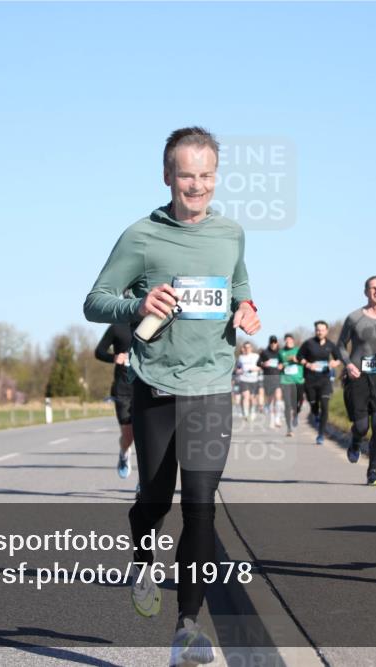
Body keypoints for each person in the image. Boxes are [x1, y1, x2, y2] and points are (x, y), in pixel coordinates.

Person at [84, 126, 261, 665]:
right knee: (155, 501)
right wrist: (136, 307)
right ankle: (142, 552)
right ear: (168, 176)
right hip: (156, 386)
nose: (197, 185)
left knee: (202, 508)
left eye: (206, 175)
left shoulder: (231, 233)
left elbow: (239, 288)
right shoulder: (140, 236)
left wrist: (246, 310)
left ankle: (187, 626)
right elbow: (95, 301)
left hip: (211, 386)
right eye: (187, 175)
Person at [337, 276, 376, 486]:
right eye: (372, 288)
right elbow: (339, 346)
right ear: (366, 292)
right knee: (363, 427)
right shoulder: (354, 318)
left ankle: (372, 471)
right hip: (357, 377)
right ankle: (355, 442)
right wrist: (348, 365)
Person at [94, 322, 136, 479]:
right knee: (128, 436)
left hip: (146, 388)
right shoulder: (117, 327)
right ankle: (124, 453)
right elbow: (99, 352)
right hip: (123, 390)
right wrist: (115, 357)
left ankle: (144, 485)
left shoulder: (150, 322)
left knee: (145, 439)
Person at [297, 321, 342, 445]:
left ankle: (321, 434)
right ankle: (315, 414)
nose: (320, 332)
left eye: (322, 330)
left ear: (326, 331)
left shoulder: (330, 345)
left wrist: (334, 363)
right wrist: (307, 364)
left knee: (325, 405)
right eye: (317, 330)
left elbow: (339, 359)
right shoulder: (308, 344)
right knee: (314, 404)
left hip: (324, 379)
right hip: (310, 379)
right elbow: (299, 357)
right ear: (315, 330)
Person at [278, 334, 303, 437]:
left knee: (297, 403)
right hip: (285, 381)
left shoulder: (299, 350)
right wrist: (279, 365)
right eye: (286, 340)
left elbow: (304, 361)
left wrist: (296, 359)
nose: (288, 342)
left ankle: (296, 414)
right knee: (287, 405)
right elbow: (278, 364)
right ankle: (289, 428)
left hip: (298, 381)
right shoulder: (281, 352)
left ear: (293, 340)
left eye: (290, 340)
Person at [258, 335, 284, 427]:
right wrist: (263, 364)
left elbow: (284, 362)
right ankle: (272, 419)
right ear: (269, 343)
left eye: (275, 342)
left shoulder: (280, 353)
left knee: (278, 396)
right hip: (268, 378)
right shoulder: (265, 353)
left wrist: (282, 365)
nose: (273, 344)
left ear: (277, 343)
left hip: (277, 377)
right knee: (270, 400)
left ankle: (277, 418)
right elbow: (258, 363)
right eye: (271, 342)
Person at [235, 341, 261, 421]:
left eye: (249, 347)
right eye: (245, 347)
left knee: (252, 398)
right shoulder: (241, 357)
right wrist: (238, 371)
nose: (247, 349)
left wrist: (254, 369)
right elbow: (237, 368)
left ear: (251, 348)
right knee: (245, 396)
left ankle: (252, 412)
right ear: (244, 348)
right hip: (244, 379)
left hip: (254, 380)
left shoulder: (256, 356)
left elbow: (261, 367)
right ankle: (246, 414)